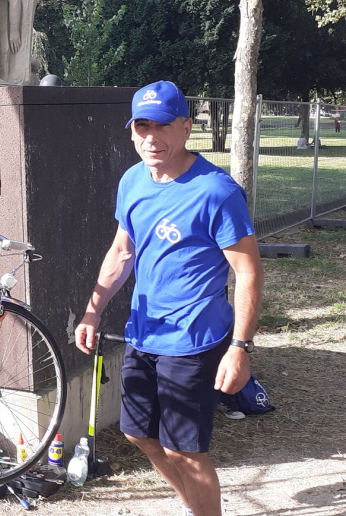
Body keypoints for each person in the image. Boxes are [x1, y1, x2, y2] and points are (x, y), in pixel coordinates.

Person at [74, 81, 264, 516]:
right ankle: (196, 508)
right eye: (142, 127)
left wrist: (239, 348)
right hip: (145, 333)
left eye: (162, 126)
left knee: (185, 451)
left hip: (194, 339)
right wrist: (92, 311)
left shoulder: (216, 191)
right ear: (131, 131)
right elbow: (122, 252)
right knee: (138, 434)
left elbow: (248, 272)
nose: (151, 138)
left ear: (186, 127)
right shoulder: (132, 180)